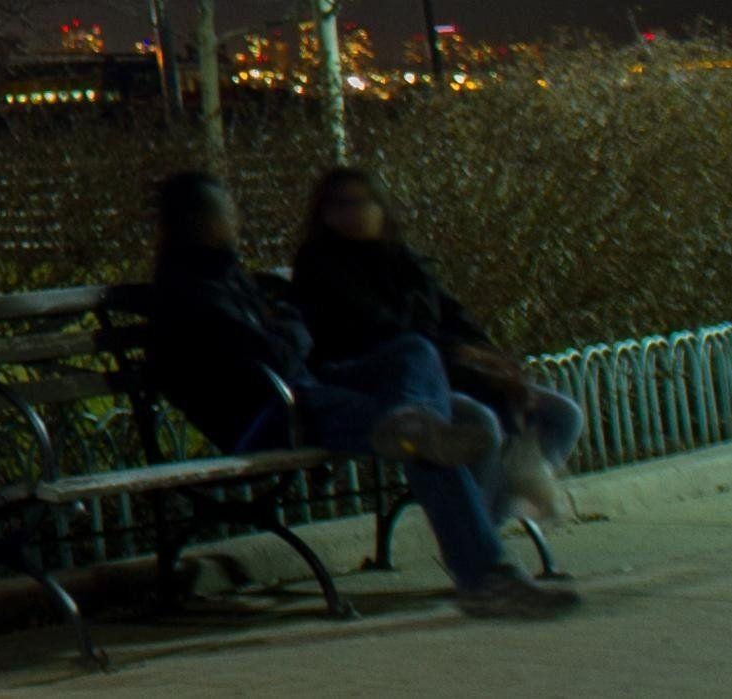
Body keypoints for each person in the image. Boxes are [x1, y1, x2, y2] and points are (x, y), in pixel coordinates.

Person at [138, 171, 565, 619]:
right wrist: (287, 326)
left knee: (414, 355)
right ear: (200, 221)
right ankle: (485, 575)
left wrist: (285, 326)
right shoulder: (189, 292)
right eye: (225, 210)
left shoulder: (226, 276)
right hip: (274, 415)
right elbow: (277, 355)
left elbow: (287, 335)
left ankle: (417, 425)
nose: (235, 218)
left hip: (306, 394)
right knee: (424, 441)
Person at [297, 168, 585, 532]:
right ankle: (483, 541)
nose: (353, 213)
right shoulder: (321, 267)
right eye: (340, 204)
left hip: (448, 368)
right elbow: (382, 332)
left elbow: (452, 314)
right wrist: (459, 355)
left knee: (562, 414)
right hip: (391, 384)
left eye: (362, 202)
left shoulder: (401, 259)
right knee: (482, 422)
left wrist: (485, 355)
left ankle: (505, 497)